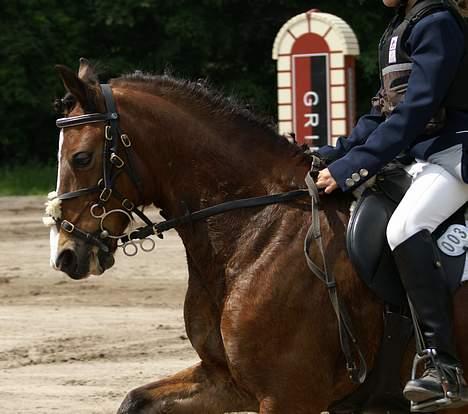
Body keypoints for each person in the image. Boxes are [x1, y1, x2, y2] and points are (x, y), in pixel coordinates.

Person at [315, 0, 468, 407]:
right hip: (420, 157)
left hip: (454, 153)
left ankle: (444, 368)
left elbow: (416, 111)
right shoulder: (397, 29)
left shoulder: (437, 23)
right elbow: (382, 113)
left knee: (405, 226)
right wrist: (334, 154)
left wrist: (355, 166)